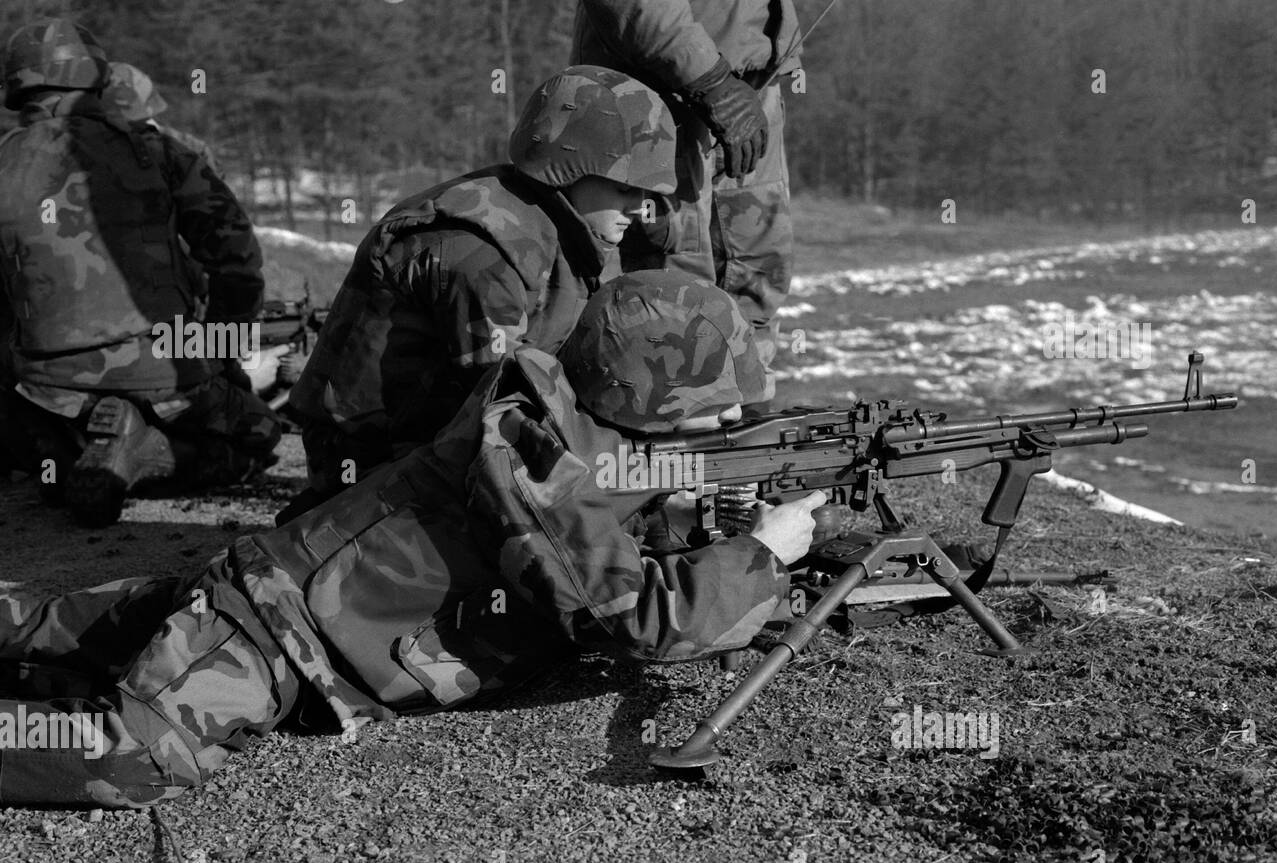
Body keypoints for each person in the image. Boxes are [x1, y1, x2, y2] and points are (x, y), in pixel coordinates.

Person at [0, 270, 826, 808]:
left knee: (49, 632)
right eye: (712, 403)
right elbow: (645, 618)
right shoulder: (537, 451)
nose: (726, 421)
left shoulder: (567, 425)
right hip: (271, 635)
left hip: (267, 600)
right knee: (141, 756)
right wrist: (765, 552)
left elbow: (603, 531)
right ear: (650, 396)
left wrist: (692, 512)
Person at [282, 64, 677, 521]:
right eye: (626, 187)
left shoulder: (552, 228)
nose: (640, 207)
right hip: (373, 459)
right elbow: (507, 412)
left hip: (436, 436)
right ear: (567, 170)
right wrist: (624, 472)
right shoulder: (480, 251)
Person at [0, 18, 277, 527]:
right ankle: (143, 453)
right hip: (163, 365)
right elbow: (237, 259)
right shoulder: (159, 150)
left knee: (34, 445)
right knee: (257, 437)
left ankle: (63, 458)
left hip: (43, 383)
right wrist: (220, 349)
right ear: (97, 77)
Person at [571, 0, 803, 387]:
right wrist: (710, 81)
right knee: (674, 288)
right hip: (660, 92)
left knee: (756, 270)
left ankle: (743, 412)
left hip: (753, 81)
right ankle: (672, 422)